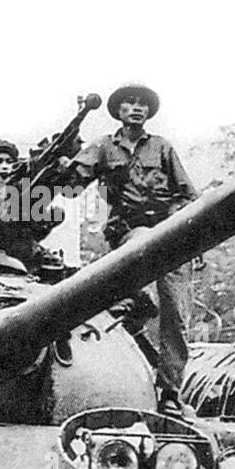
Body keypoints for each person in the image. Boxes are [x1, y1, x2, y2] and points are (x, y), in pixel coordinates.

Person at [57, 83, 197, 409]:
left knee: (176, 315)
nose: (136, 108)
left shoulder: (162, 148)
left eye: (142, 104)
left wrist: (178, 228)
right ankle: (134, 308)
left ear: (148, 112)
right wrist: (65, 162)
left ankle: (170, 392)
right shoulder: (104, 147)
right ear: (119, 110)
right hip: (130, 232)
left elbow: (187, 195)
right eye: (129, 103)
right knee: (139, 271)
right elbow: (72, 187)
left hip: (171, 235)